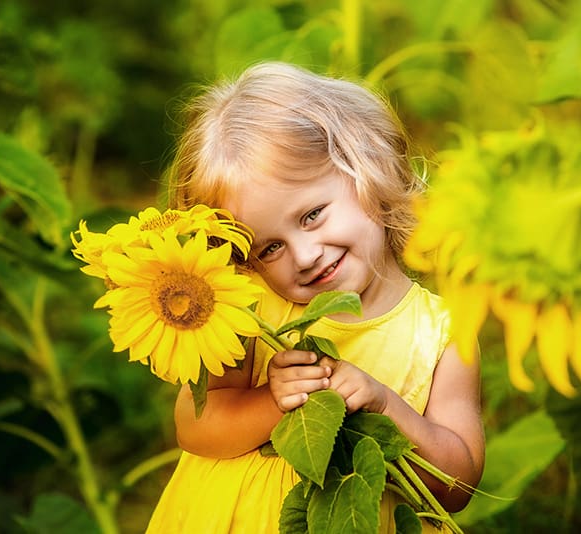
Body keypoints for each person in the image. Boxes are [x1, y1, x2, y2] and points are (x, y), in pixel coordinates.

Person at [146, 61, 484, 533]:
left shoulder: (443, 333)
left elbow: (460, 482)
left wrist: (387, 406)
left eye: (312, 215)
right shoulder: (247, 309)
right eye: (270, 247)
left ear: (366, 165)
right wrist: (271, 400)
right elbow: (197, 427)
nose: (304, 256)